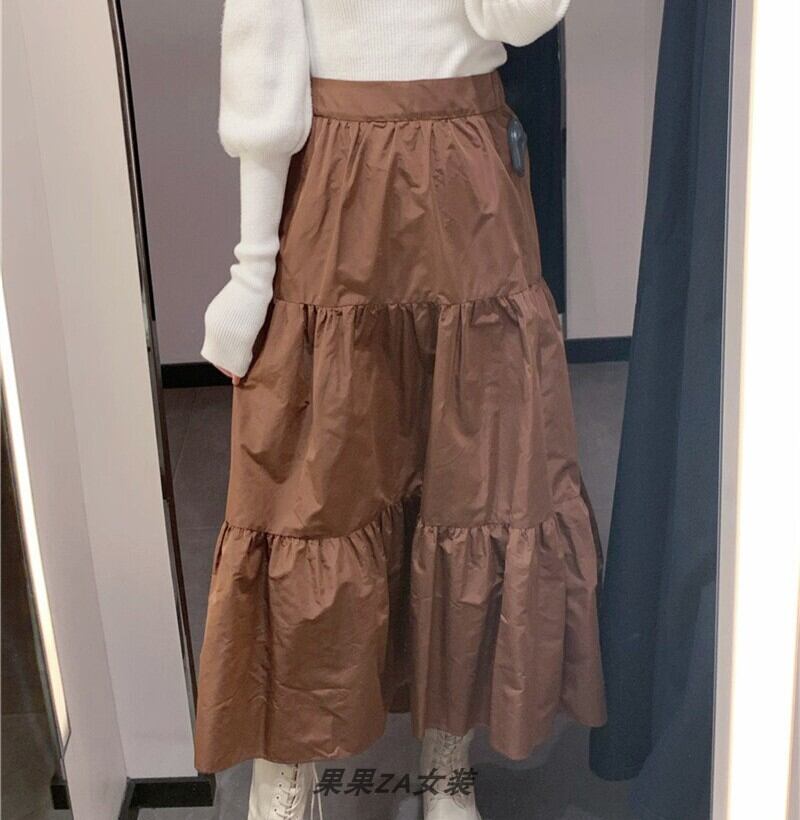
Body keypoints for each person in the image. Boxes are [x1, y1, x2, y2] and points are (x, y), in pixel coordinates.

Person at [196, 2, 607, 818]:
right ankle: (289, 766)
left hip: (470, 178)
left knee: (472, 480)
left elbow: (516, 19)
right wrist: (252, 269)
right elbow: (262, 69)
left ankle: (445, 756)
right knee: (312, 488)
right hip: (336, 179)